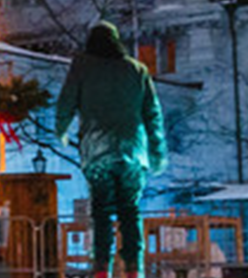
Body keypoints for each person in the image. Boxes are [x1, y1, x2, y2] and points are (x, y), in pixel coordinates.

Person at [54, 22, 166, 278]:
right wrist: (157, 153)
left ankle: (101, 268)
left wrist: (61, 130)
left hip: (97, 151)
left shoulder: (82, 66)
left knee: (102, 211)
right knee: (130, 210)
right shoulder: (138, 70)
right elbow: (153, 115)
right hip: (132, 153)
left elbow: (67, 101)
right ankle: (133, 269)